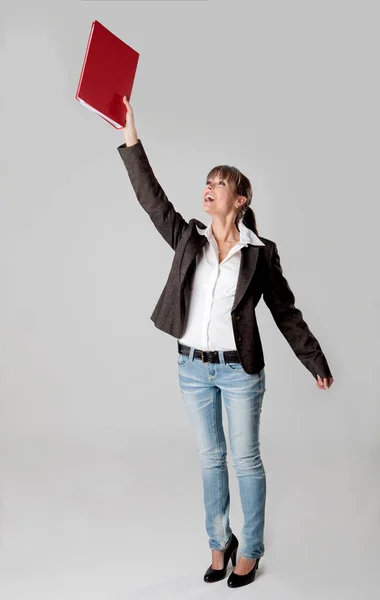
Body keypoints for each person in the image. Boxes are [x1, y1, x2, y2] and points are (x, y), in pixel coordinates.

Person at [117, 95, 334, 588]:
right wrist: (131, 135)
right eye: (207, 182)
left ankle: (250, 551)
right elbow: (151, 197)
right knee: (210, 459)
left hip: (240, 371)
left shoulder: (260, 253)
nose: (209, 188)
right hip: (192, 367)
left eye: (221, 183)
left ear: (241, 200)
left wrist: (314, 359)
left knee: (245, 459)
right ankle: (219, 544)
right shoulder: (188, 239)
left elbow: (286, 312)